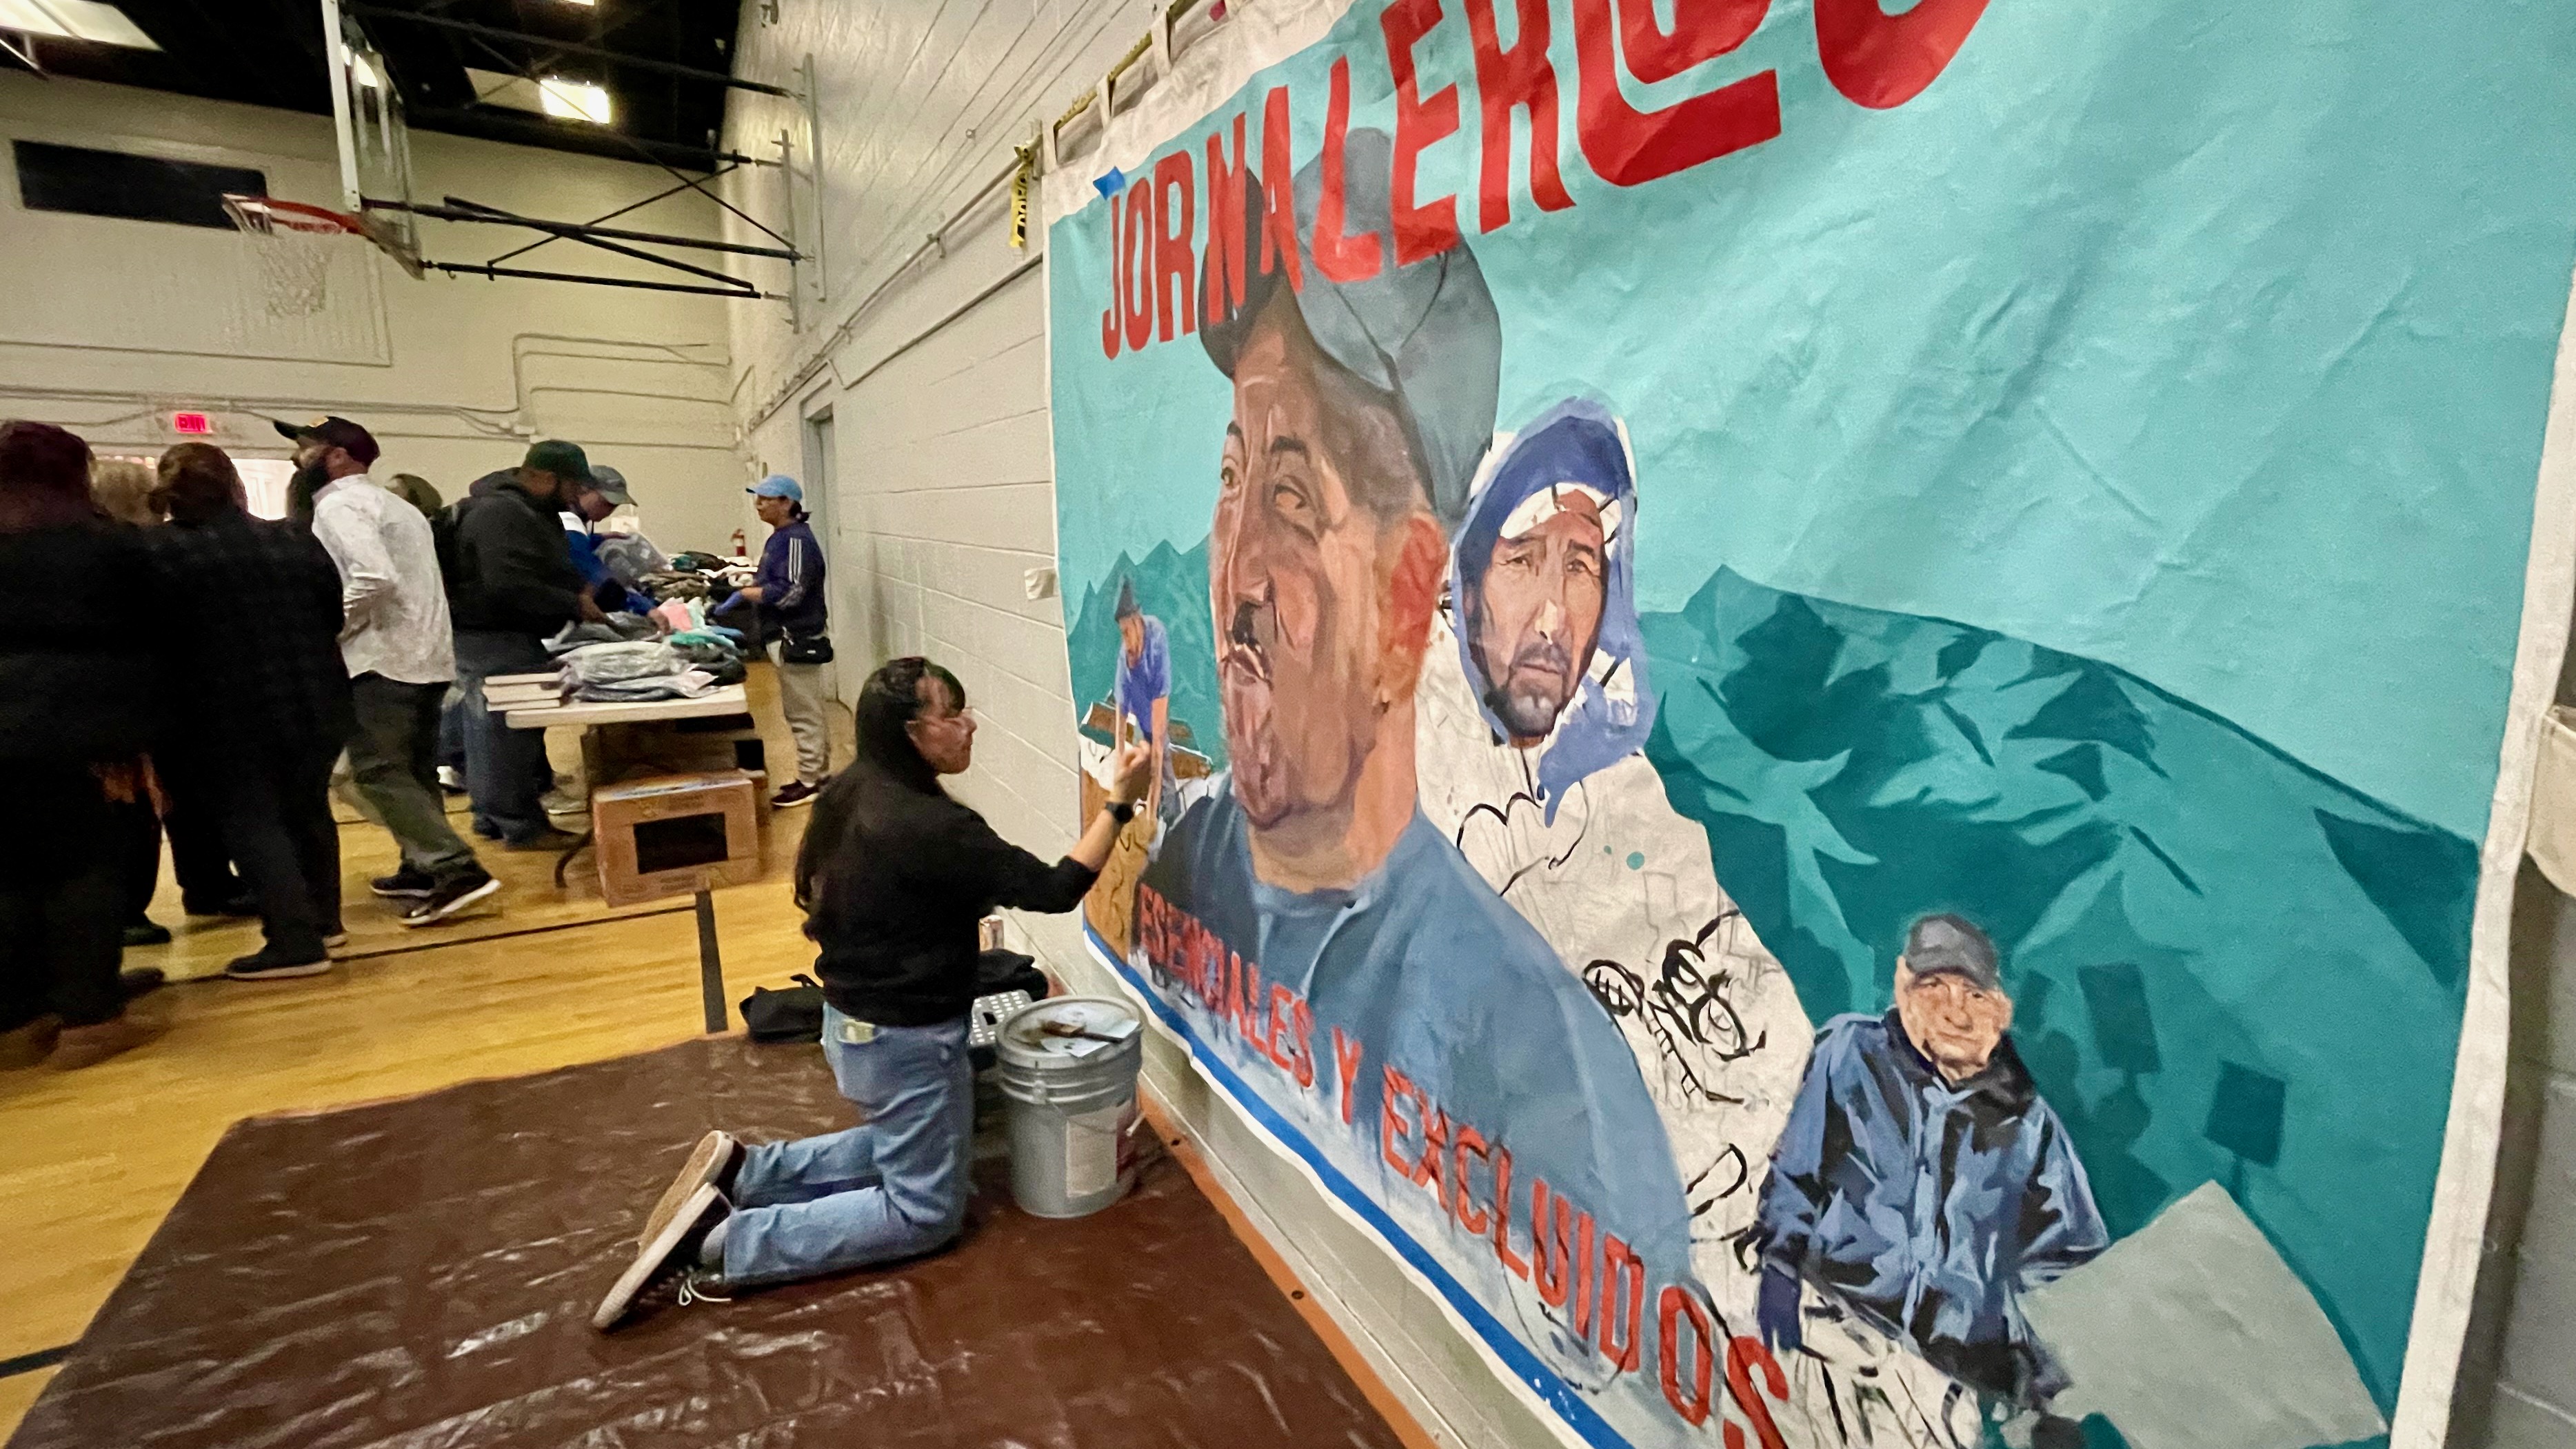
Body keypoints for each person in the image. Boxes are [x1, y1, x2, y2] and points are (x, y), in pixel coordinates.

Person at [1137, 128, 1695, 1389]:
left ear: (1404, 608)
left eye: (1289, 501)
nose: (1233, 578)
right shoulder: (1192, 862)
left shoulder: (1544, 1074)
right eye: (1231, 481)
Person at [592, 657, 1154, 1327]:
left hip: (859, 1026)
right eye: (952, 714)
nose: (969, 724)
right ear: (914, 732)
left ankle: (749, 1171)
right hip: (900, 1040)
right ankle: (721, 1238)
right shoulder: (930, 826)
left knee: (915, 1139)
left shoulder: (856, 789)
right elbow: (1056, 890)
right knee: (922, 1213)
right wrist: (1119, 802)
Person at [1413, 398, 1814, 1266]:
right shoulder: (1403, 761)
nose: (1556, 617)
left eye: (1582, 565)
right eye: (1523, 561)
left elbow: (1739, 979)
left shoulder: (1609, 776)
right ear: (1468, 578)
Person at [1753, 914, 2108, 1423]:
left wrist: (2047, 1394)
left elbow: (2070, 1264)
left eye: (1974, 995)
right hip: (1834, 1328)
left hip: (1952, 1386)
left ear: (2001, 1011)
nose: (1954, 1011)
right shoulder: (1848, 1051)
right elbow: (1796, 1173)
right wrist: (1780, 1265)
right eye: (1933, 987)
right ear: (1901, 986)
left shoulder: (2029, 1123)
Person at [143, 443, 355, 981]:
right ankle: (326, 921)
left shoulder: (160, 552)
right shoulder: (292, 538)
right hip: (316, 697)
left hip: (220, 706)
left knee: (252, 818)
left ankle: (293, 938)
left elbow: (156, 638)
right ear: (234, 484)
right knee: (309, 809)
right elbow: (333, 611)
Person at [289, 417, 499, 926]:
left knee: (376, 771)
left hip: (382, 659)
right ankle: (421, 862)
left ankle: (453, 866)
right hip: (425, 657)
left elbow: (374, 576)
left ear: (338, 456)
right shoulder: (396, 505)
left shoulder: (339, 505)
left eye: (308, 448)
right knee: (413, 769)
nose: (298, 458)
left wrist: (332, 627)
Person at [0, 422, 163, 1069]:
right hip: (84, 734)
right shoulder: (106, 550)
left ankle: (18, 1012)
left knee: (8, 872)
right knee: (84, 869)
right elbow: (158, 629)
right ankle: (89, 1016)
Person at [443, 440, 602, 848]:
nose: (576, 497)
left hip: (500, 634)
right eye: (573, 486)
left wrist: (587, 591)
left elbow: (549, 569)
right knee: (505, 732)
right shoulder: (501, 513)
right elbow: (507, 584)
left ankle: (492, 818)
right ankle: (519, 824)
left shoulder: (529, 512)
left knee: (491, 729)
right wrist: (573, 604)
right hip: (492, 636)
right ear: (545, 477)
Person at [740, 474, 831, 808]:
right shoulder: (780, 538)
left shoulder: (795, 540)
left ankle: (810, 781)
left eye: (767, 498)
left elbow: (792, 592)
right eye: (758, 498)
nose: (759, 504)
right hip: (785, 636)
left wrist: (750, 593)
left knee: (803, 713)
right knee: (805, 710)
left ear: (788, 503)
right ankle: (817, 774)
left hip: (797, 637)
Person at [1110, 578, 1169, 821]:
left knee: (1162, 777)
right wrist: (1119, 777)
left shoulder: (1157, 641)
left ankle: (1159, 813)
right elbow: (1120, 727)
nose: (1125, 640)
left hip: (1156, 717)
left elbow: (1157, 733)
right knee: (1136, 772)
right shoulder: (1124, 659)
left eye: (1126, 632)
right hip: (1140, 720)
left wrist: (1152, 815)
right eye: (1120, 633)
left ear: (1137, 622)